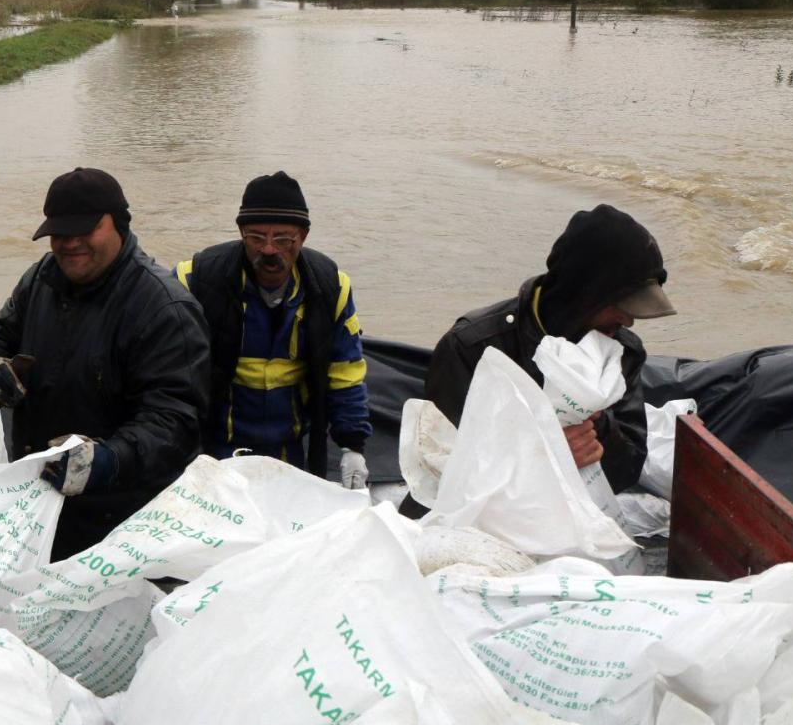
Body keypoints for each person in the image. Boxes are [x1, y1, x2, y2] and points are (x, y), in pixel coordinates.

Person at [0, 167, 210, 561]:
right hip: (40, 502)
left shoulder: (163, 308)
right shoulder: (42, 277)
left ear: (120, 225)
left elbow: (175, 421)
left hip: (123, 521)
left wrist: (107, 460)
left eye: (85, 231)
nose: (70, 244)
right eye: (60, 233)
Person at [424, 204, 675, 495]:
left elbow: (626, 473)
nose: (628, 320)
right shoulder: (472, 347)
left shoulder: (621, 353)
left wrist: (598, 422)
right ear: (584, 292)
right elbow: (437, 468)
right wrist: (543, 457)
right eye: (621, 305)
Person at [175, 172, 373, 488]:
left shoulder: (332, 287)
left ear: (303, 237)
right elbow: (164, 373)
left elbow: (344, 374)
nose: (269, 250)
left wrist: (352, 446)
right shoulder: (194, 281)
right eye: (256, 237)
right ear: (240, 232)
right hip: (213, 450)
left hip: (290, 450)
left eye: (283, 239)